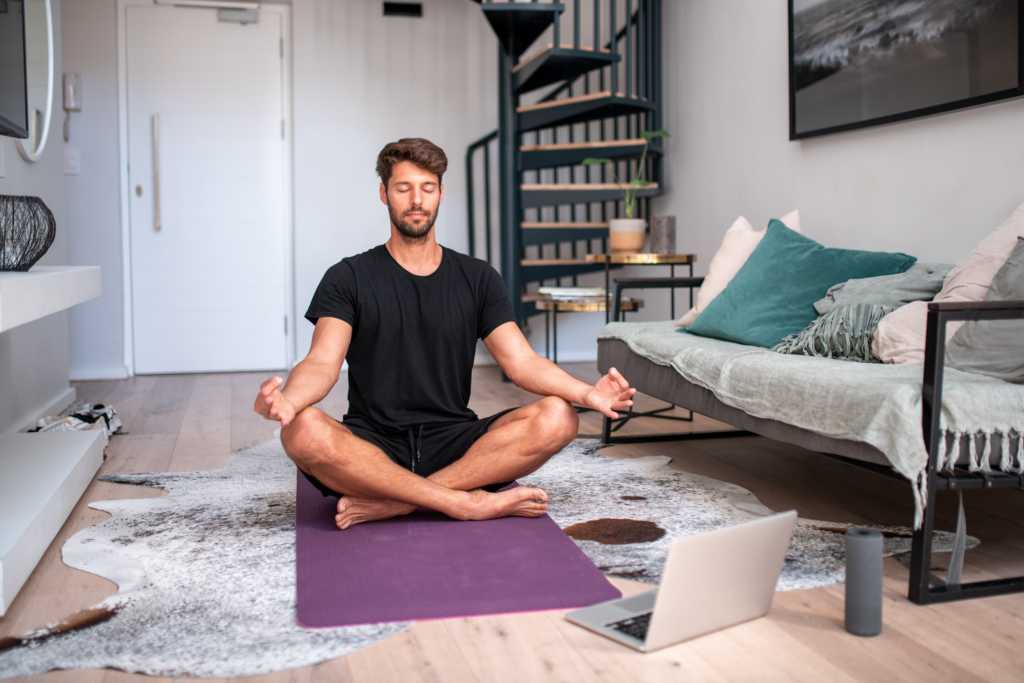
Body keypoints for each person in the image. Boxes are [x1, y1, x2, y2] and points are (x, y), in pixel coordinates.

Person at [254, 137, 636, 530]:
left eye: (427, 188)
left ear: (440, 193)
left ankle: (396, 503)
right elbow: (322, 362)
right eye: (403, 188)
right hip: (372, 445)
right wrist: (289, 400)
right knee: (301, 430)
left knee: (560, 417)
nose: (416, 200)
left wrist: (587, 394)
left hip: (455, 442)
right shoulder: (347, 277)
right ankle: (463, 503)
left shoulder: (478, 278)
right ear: (384, 194)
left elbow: (522, 362)